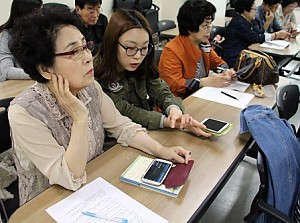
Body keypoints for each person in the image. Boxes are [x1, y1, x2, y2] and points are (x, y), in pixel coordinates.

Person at [8, 7, 192, 205]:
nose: (88, 57)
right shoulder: (25, 112)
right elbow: (70, 177)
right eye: (74, 51)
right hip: (49, 205)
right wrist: (79, 118)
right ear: (45, 69)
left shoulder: (90, 87)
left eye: (85, 46)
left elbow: (123, 128)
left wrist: (164, 152)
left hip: (93, 186)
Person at [93, 9, 211, 138]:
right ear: (112, 43)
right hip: (116, 144)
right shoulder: (96, 73)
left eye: (144, 48)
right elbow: (126, 112)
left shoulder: (143, 63)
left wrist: (174, 110)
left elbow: (161, 90)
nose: (138, 56)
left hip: (146, 134)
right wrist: (168, 122)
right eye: (131, 48)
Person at [158, 0, 236, 99]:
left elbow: (217, 62)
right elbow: (174, 84)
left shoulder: (203, 43)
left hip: (199, 95)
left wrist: (226, 71)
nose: (209, 29)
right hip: (178, 103)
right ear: (191, 27)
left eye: (210, 25)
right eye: (205, 25)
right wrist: (204, 82)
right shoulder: (172, 50)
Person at [222, 0, 290, 68]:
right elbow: (256, 38)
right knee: (265, 63)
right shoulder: (240, 23)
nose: (255, 11)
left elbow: (257, 33)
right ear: (246, 11)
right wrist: (275, 35)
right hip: (235, 58)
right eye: (254, 9)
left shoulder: (243, 20)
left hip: (242, 54)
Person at [0, 0, 42, 82]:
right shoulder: (6, 36)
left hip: (33, 83)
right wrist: (39, 75)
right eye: (38, 12)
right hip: (12, 87)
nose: (42, 15)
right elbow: (7, 71)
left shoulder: (40, 31)